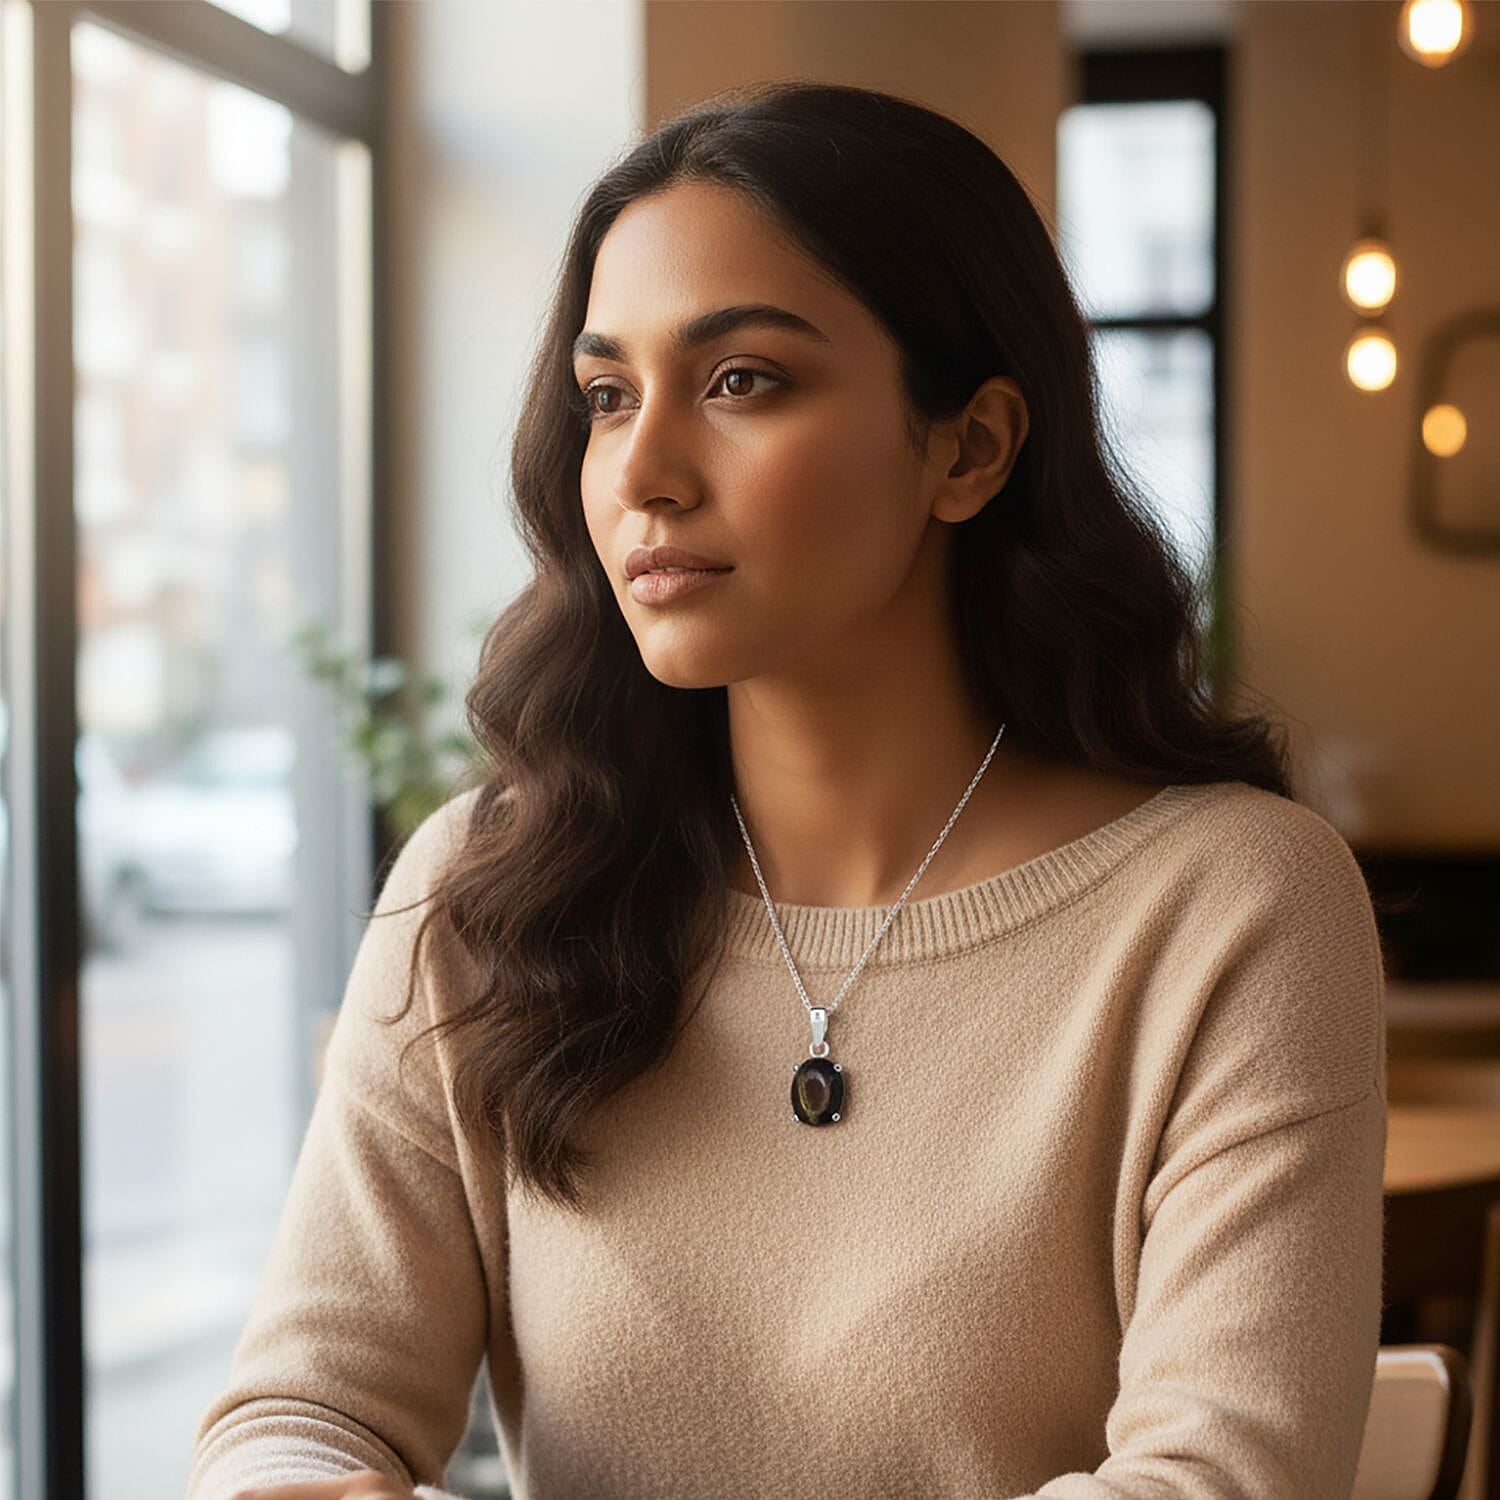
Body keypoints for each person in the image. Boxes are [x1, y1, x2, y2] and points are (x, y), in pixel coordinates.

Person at [185, 80, 1387, 1500]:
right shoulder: (488, 887)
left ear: (971, 447)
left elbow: (1216, 1481)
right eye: (607, 396)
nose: (644, 471)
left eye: (742, 380)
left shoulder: (1232, 905)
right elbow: (300, 1411)